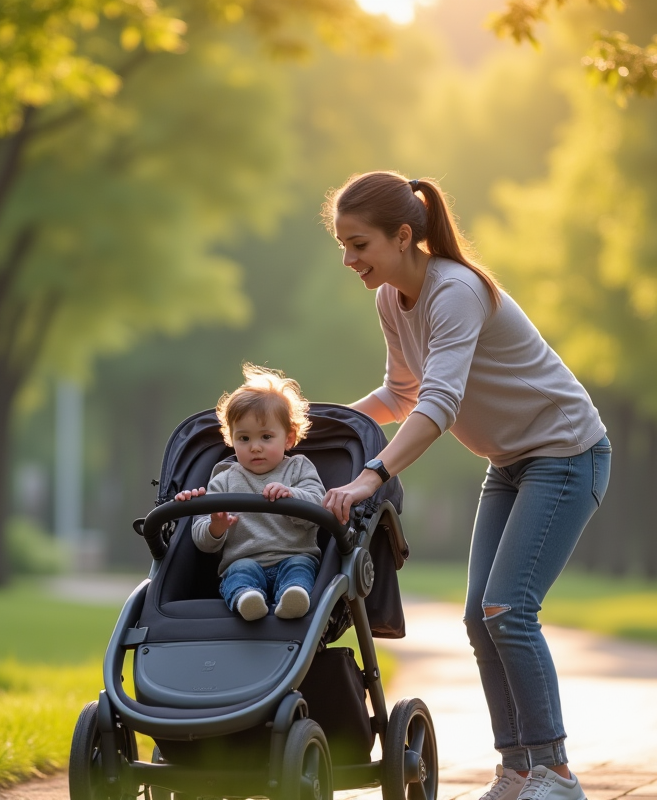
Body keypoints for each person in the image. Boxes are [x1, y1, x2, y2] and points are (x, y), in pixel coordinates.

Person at [319, 171, 611, 800]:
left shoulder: (455, 291)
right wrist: (314, 427)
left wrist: (374, 473)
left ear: (402, 237)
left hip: (566, 452)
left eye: (359, 244)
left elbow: (439, 405)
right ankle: (516, 769)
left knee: (508, 610)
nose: (349, 260)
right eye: (342, 245)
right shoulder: (390, 299)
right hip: (509, 461)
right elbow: (402, 394)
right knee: (480, 619)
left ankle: (555, 772)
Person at [174, 364, 326, 622]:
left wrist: (292, 495)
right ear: (231, 438)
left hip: (293, 556)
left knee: (299, 570)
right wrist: (216, 528)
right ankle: (247, 599)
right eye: (244, 439)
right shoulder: (223, 479)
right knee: (239, 573)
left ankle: (294, 597)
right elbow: (202, 540)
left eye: (266, 437)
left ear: (288, 438)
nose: (255, 447)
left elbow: (319, 508)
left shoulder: (299, 468)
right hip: (244, 560)